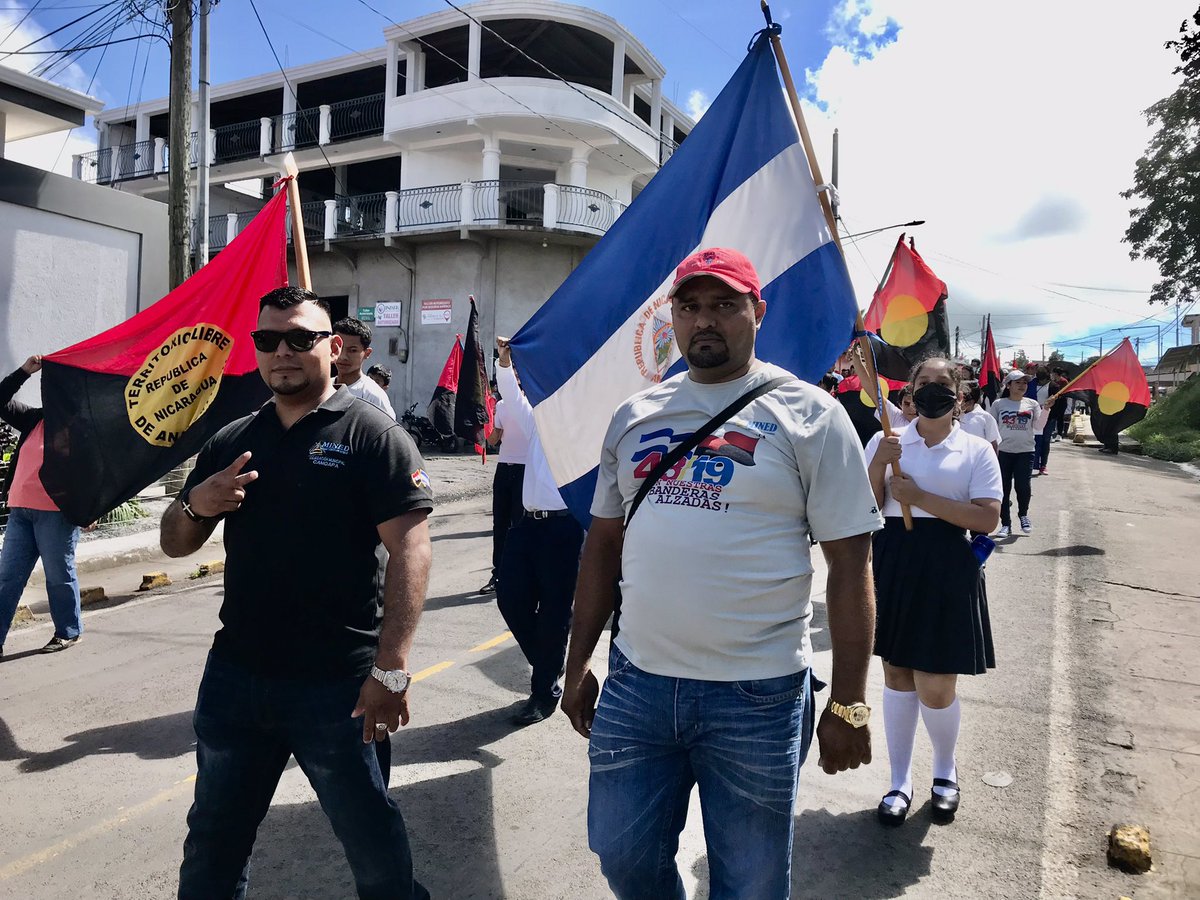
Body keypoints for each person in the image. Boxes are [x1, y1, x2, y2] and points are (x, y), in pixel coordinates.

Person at [562, 248, 883, 898]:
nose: (705, 320)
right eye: (690, 306)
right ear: (672, 318)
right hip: (638, 686)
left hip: (758, 697)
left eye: (724, 305)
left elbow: (850, 569)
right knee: (623, 857)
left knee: (751, 884)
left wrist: (848, 700)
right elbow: (601, 548)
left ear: (757, 312)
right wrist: (575, 666)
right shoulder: (635, 415)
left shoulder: (813, 417)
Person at [161, 287, 433, 899]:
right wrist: (194, 503)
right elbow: (175, 543)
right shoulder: (233, 438)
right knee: (212, 845)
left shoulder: (373, 437)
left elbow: (411, 552)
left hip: (338, 687)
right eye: (267, 340)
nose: (281, 351)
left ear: (334, 349)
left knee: (374, 848)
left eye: (300, 339)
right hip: (236, 680)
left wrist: (391, 668)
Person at [865, 357, 1002, 827]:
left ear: (959, 395)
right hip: (894, 560)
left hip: (947, 564)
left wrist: (920, 498)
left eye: (943, 384)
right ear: (909, 392)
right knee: (897, 675)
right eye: (923, 383)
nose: (932, 390)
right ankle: (898, 780)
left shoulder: (977, 449)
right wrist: (881, 462)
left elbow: (987, 518)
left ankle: (945, 770)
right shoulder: (888, 442)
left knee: (937, 684)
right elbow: (863, 508)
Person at [494, 337, 585, 726]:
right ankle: (549, 662)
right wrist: (504, 359)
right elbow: (512, 396)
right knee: (510, 598)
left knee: (553, 612)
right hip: (528, 525)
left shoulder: (588, 427)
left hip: (565, 530)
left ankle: (543, 689)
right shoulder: (537, 417)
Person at [0, 356, 90, 656]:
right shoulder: (34, 419)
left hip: (56, 515)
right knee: (7, 578)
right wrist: (25, 371)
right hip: (20, 511)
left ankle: (68, 631)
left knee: (58, 576)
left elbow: (95, 472)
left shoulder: (79, 429)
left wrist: (90, 508)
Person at [990, 370, 1048, 537]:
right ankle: (1005, 524)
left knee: (1023, 486)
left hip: (1025, 451)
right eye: (1018, 382)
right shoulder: (998, 404)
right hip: (1004, 453)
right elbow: (991, 428)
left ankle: (1023, 515)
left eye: (1024, 382)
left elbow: (1038, 427)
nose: (1022, 385)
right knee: (1003, 488)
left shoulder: (1032, 404)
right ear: (1008, 385)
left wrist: (1046, 410)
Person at [480, 392, 528, 595]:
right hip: (504, 468)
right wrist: (481, 424)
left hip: (525, 468)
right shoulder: (501, 404)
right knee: (500, 524)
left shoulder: (532, 403)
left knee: (518, 525)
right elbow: (493, 439)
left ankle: (519, 576)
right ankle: (497, 574)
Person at [333, 318, 396, 419]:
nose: (343, 356)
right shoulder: (322, 388)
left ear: (367, 353)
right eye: (339, 348)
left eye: (352, 350)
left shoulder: (373, 395)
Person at [958, 383, 1001, 453]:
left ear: (970, 402)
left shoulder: (985, 417)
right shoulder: (953, 416)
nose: (957, 402)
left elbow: (993, 443)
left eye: (960, 399)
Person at [1031, 367, 1053, 475]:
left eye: (1043, 380)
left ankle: (1043, 465)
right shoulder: (1031, 384)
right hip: (1033, 416)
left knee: (1045, 441)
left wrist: (1047, 407)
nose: (1041, 382)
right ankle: (1031, 464)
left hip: (1048, 416)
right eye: (1039, 380)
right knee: (1033, 440)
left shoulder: (1053, 386)